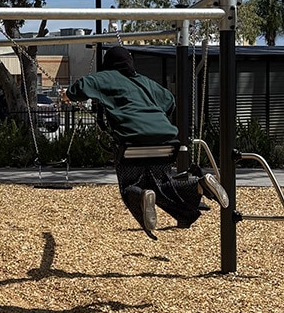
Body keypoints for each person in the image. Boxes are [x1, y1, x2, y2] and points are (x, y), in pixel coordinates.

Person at [64, 46, 228, 237]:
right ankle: (200, 184)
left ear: (108, 64)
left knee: (129, 187)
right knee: (163, 184)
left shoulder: (105, 77)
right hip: (166, 140)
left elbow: (76, 89)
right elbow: (169, 100)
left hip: (132, 141)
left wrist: (69, 95)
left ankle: (142, 196)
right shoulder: (145, 82)